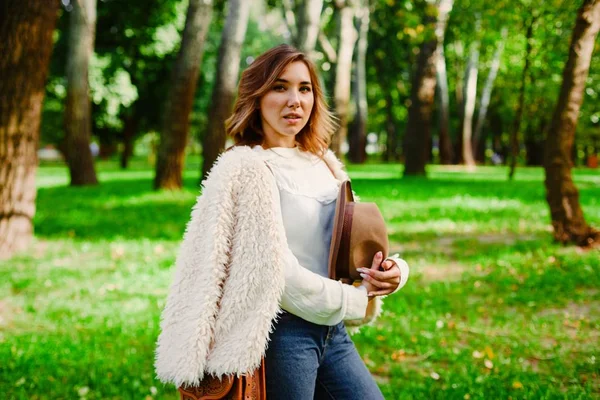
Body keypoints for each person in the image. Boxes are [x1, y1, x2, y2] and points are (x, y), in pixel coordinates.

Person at [155, 44, 410, 400]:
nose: (295, 100)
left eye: (304, 88)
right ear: (256, 97)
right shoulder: (246, 168)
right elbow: (278, 276)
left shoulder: (322, 163)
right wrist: (356, 299)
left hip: (331, 330)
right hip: (281, 335)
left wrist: (393, 272)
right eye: (280, 87)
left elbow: (351, 245)